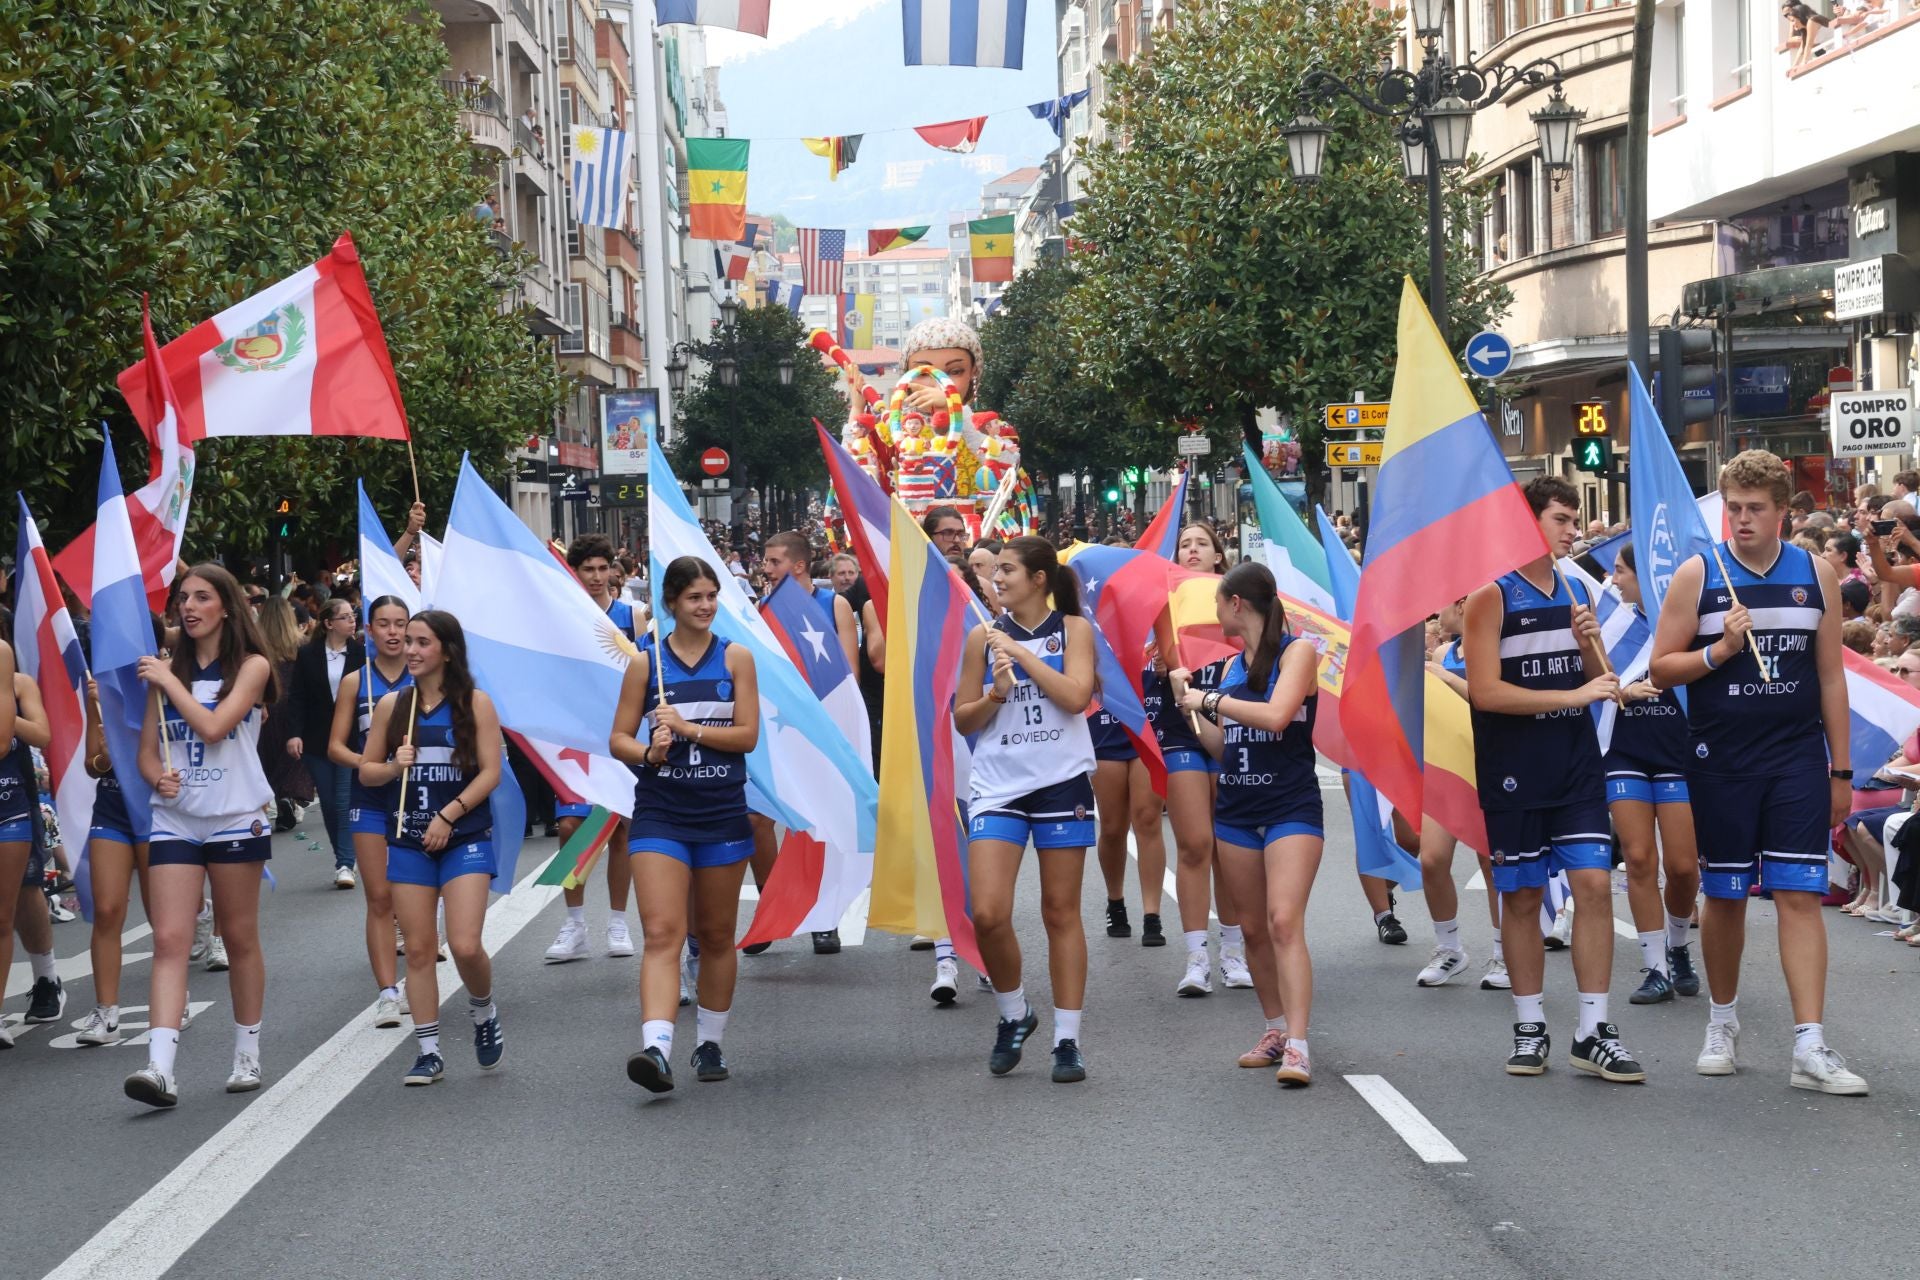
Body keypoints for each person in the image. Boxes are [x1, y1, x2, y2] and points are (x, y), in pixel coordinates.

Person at [1650, 449, 1867, 1095]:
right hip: (1721, 757)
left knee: (1800, 893)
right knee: (1725, 894)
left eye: (1755, 510)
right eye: (1733, 508)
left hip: (1797, 755)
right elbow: (1661, 667)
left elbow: (1832, 676)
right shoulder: (1700, 574)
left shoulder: (1816, 572)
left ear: (1782, 513)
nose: (1741, 520)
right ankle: (1722, 1023)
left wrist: (1842, 770)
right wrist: (1718, 651)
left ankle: (1810, 1044)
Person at [1464, 478, 1643, 1083]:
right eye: (1562, 519)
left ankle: (1593, 1028)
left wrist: (1592, 645)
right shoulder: (1491, 595)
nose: (1573, 530)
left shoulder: (1574, 587)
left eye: (1574, 520)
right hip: (1514, 768)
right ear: (1527, 522)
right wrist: (1574, 691)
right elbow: (1485, 692)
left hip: (1575, 764)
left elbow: (1605, 682)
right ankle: (1529, 1022)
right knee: (1522, 896)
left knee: (1593, 884)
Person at [127, 564, 277, 1108]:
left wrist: (169, 681)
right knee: (168, 939)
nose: (188, 607)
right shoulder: (168, 671)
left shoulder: (252, 667)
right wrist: (155, 776)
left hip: (235, 815)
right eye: (182, 599)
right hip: (176, 819)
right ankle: (159, 1068)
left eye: (201, 598)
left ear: (227, 608)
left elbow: (215, 729)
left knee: (238, 939)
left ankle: (247, 1050)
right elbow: (148, 751)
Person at [953, 537, 1098, 1083]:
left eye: (1008, 570)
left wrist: (1022, 656)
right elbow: (963, 720)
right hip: (998, 785)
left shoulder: (1074, 630)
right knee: (987, 912)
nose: (997, 579)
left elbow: (1076, 696)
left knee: (1060, 911)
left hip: (1061, 783)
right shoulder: (980, 638)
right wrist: (993, 694)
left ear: (1040, 578)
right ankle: (1015, 1014)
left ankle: (1067, 1039)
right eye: (995, 573)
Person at [613, 556, 761, 1093]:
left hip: (721, 811)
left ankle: (711, 1042)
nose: (705, 606)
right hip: (661, 813)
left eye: (711, 596)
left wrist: (690, 729)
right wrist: (649, 753)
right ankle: (656, 1048)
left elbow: (747, 737)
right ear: (671, 602)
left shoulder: (737, 658)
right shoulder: (644, 664)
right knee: (661, 932)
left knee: (717, 934)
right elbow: (618, 739)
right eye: (695, 597)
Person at [1177, 563, 1323, 1085]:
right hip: (1236, 809)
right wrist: (1191, 709)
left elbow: (1279, 716)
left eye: (1218, 604)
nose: (1216, 615)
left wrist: (1211, 701)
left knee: (1284, 920)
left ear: (1237, 603)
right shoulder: (1228, 667)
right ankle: (1275, 1029)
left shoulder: (1297, 652)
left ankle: (1300, 1047)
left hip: (1290, 805)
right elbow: (1225, 744)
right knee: (1254, 928)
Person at [360, 610, 505, 1087]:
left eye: (423, 641)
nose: (411, 648)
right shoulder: (391, 707)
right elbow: (366, 773)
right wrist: (391, 766)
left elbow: (490, 773)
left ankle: (483, 1010)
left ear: (446, 649)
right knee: (419, 950)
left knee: (463, 944)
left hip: (462, 836)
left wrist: (450, 815)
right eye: (409, 641)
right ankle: (428, 1051)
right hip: (407, 839)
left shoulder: (475, 703)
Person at [1605, 546, 1703, 1006]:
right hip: (1625, 752)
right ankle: (1655, 968)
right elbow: (1591, 686)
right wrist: (1623, 691)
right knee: (1639, 859)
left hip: (1679, 755)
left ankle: (1678, 945)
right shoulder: (1615, 625)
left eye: (1622, 571)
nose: (1615, 579)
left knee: (1682, 867)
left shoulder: (1692, 622)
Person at [752, 530, 857, 955]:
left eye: (773, 561)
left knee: (820, 825)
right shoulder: (760, 610)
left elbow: (848, 676)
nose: (765, 568)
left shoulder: (834, 604)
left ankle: (822, 917)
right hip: (775, 728)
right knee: (756, 820)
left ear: (797, 566)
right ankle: (772, 907)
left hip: (824, 731)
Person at [1161, 522, 1251, 996]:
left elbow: (1258, 657)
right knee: (1195, 843)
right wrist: (1163, 670)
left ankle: (1233, 951)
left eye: (1201, 544)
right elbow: (1137, 663)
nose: (1192, 550)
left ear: (1218, 556)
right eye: (1184, 544)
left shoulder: (1234, 602)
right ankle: (1197, 957)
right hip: (1181, 734)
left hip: (1230, 727)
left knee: (1230, 846)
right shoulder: (1163, 602)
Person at [545, 534, 636, 963]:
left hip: (622, 736)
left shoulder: (631, 616)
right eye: (589, 570)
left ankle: (618, 922)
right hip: (576, 741)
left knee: (622, 830)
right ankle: (575, 923)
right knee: (570, 829)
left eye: (604, 569)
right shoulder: (559, 620)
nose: (597, 577)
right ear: (575, 573)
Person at [328, 594, 414, 1028]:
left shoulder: (428, 678)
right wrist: (370, 765)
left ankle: (418, 978)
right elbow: (335, 746)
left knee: (412, 897)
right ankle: (386, 992)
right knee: (379, 897)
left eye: (401, 623)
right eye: (384, 623)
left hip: (421, 800)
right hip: (372, 800)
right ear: (369, 630)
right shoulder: (355, 682)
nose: (394, 632)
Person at [1415, 596, 1507, 990]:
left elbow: (1490, 699)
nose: (1438, 613)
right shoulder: (1441, 651)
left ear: (1467, 604)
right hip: (1448, 772)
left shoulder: (1496, 649)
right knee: (1432, 859)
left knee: (1493, 865)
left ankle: (1504, 953)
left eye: (1446, 605)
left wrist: (1444, 677)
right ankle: (1449, 948)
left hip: (1492, 768)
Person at [74, 675, 153, 1046]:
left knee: (163, 915)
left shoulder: (160, 683)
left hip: (156, 810)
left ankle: (175, 995)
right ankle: (106, 1012)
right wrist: (108, 752)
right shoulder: (98, 694)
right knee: (106, 909)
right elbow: (94, 765)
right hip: (111, 810)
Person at [289, 596, 363, 885]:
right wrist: (294, 733)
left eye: (352, 615)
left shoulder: (361, 654)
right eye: (345, 616)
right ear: (329, 623)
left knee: (344, 802)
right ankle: (344, 856)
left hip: (351, 738)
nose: (351, 620)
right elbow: (298, 698)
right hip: (317, 739)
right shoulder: (308, 655)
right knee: (330, 804)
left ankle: (345, 863)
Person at [0, 657, 50, 1046]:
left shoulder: (18, 683)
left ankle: (46, 978)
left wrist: (7, 709)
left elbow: (42, 734)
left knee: (23, 894)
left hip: (13, 800)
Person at [254, 598, 312, 832]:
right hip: (294, 705)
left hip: (268, 702)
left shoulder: (257, 645)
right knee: (293, 757)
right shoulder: (303, 645)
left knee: (267, 756)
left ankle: (276, 797)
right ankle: (288, 795)